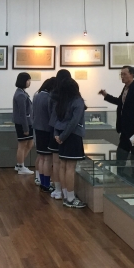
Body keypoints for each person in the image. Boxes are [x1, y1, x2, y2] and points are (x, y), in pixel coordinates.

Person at [98, 65, 134, 159]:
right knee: (121, 153)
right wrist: (106, 95)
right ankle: (120, 169)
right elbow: (119, 102)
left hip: (133, 130)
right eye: (121, 74)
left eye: (124, 74)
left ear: (131, 75)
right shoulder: (126, 88)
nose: (122, 76)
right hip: (125, 128)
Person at [53, 77, 87, 209]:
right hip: (72, 136)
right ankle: (71, 198)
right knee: (70, 168)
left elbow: (56, 120)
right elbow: (74, 123)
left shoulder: (61, 101)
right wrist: (62, 137)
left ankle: (66, 195)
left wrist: (58, 135)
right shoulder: (77, 101)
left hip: (61, 135)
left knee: (63, 166)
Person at [48, 69, 72, 200]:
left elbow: (50, 112)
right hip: (65, 130)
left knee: (57, 162)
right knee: (65, 164)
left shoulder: (53, 93)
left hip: (54, 128)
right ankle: (66, 191)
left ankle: (58, 189)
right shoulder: (70, 95)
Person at [32, 77, 56, 193]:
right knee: (47, 159)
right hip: (46, 130)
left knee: (41, 158)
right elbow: (52, 115)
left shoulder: (37, 95)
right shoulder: (49, 98)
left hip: (38, 129)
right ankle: (46, 184)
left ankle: (42, 182)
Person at [12, 72, 34, 176]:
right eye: (28, 80)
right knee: (22, 145)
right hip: (23, 124)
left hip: (27, 122)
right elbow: (22, 113)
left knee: (29, 144)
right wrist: (25, 128)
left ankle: (20, 164)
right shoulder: (20, 95)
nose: (29, 82)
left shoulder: (22, 93)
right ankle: (20, 166)